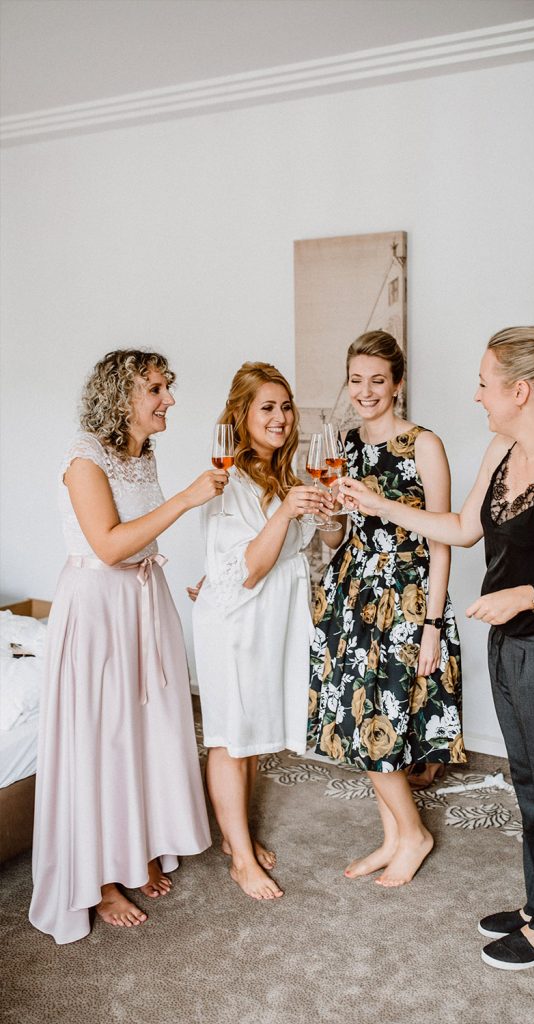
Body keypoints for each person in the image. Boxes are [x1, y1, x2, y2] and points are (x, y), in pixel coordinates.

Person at [341, 326, 534, 968]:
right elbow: (463, 528)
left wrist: (530, 596)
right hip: (513, 647)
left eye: (483, 383)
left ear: (519, 391)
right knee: (529, 781)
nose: (477, 396)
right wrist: (378, 503)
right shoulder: (504, 447)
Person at [29, 349, 225, 945]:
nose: (168, 398)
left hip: (144, 601)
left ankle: (135, 844)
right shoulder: (83, 458)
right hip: (97, 609)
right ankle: (101, 879)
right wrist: (189, 498)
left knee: (145, 729)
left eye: (167, 386)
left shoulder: (142, 453)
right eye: (157, 389)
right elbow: (110, 546)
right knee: (102, 736)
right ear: (122, 396)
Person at [308, 331, 466, 889]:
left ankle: (415, 835)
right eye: (356, 380)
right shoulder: (344, 445)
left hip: (407, 597)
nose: (366, 391)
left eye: (378, 380)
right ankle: (394, 837)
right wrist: (328, 514)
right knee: (361, 721)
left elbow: (443, 541)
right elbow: (334, 538)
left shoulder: (424, 444)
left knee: (391, 717)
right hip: (352, 595)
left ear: (397, 383)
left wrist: (431, 628)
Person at [191, 362, 324, 901]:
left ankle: (232, 836)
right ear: (242, 415)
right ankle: (242, 859)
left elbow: (308, 547)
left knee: (247, 735)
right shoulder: (228, 480)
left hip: (271, 618)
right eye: (267, 407)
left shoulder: (288, 475)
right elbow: (249, 566)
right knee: (229, 733)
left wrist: (320, 509)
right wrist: (288, 510)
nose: (281, 418)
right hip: (235, 619)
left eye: (286, 407)